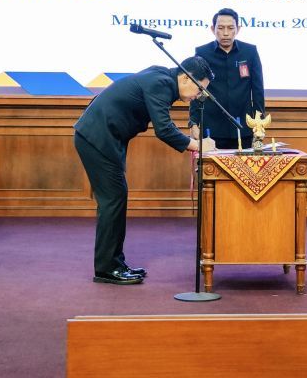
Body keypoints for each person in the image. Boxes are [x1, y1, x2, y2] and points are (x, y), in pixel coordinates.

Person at [73, 57, 215, 285]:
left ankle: (115, 264)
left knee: (116, 199)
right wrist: (198, 145)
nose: (198, 96)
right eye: (199, 90)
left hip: (105, 138)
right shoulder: (161, 83)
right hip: (97, 138)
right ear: (186, 78)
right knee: (112, 201)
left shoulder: (163, 76)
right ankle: (107, 269)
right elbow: (164, 129)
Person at [189, 8, 264, 149]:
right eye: (221, 28)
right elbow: (195, 90)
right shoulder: (202, 52)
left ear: (238, 29)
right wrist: (193, 123)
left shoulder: (250, 52)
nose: (225, 33)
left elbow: (258, 90)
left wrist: (259, 123)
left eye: (230, 28)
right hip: (212, 127)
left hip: (243, 126)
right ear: (213, 29)